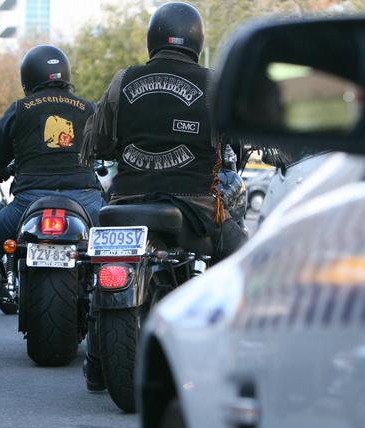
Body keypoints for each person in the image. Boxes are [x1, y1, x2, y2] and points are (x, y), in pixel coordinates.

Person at [80, 2, 248, 390]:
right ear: (196, 38)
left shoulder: (124, 80)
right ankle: (236, 358)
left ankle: (95, 361)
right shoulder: (213, 83)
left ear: (153, 37)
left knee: (99, 269)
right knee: (246, 264)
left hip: (127, 202)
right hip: (196, 207)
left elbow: (97, 140)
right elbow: (236, 142)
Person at [0, 45, 104, 358]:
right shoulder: (87, 108)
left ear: (27, 77)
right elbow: (108, 144)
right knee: (118, 251)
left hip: (29, 201)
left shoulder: (21, 108)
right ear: (66, 75)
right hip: (85, 197)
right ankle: (120, 326)